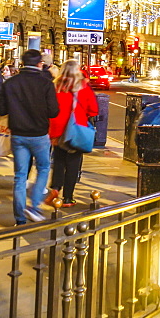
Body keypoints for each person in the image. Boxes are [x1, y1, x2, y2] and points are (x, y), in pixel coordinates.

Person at [0, 49, 59, 225]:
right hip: (39, 135)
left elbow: (1, 110)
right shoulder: (46, 84)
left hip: (18, 135)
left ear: (23, 63)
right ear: (40, 64)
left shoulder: (11, 83)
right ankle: (34, 206)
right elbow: (54, 111)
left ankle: (20, 219)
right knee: (44, 168)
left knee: (20, 176)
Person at [45, 59, 98, 208]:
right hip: (76, 131)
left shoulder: (55, 86)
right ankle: (68, 198)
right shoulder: (83, 86)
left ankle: (55, 188)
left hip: (57, 130)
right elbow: (94, 109)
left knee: (59, 161)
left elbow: (49, 109)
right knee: (73, 164)